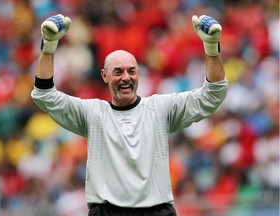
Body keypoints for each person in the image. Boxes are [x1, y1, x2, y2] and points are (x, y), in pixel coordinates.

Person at [31, 13, 228, 216]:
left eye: (131, 71)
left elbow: (213, 95)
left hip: (156, 211)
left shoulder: (160, 108)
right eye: (118, 72)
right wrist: (49, 46)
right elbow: (44, 95)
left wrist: (212, 48)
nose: (126, 77)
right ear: (104, 76)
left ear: (139, 74)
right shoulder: (92, 113)